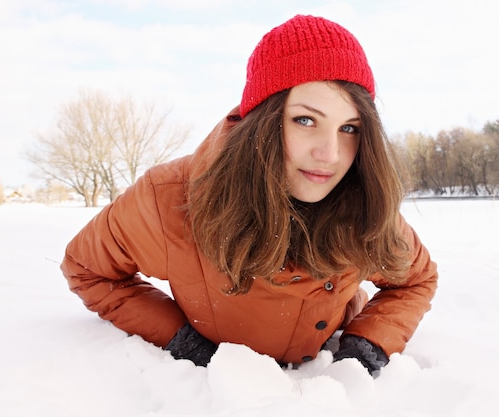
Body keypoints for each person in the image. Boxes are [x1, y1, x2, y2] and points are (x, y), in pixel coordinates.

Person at [61, 14, 438, 376]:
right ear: (262, 121)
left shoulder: (362, 205)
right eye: (305, 120)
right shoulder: (170, 199)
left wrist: (367, 345)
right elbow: (88, 268)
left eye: (349, 128)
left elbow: (416, 281)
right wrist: (179, 339)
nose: (331, 154)